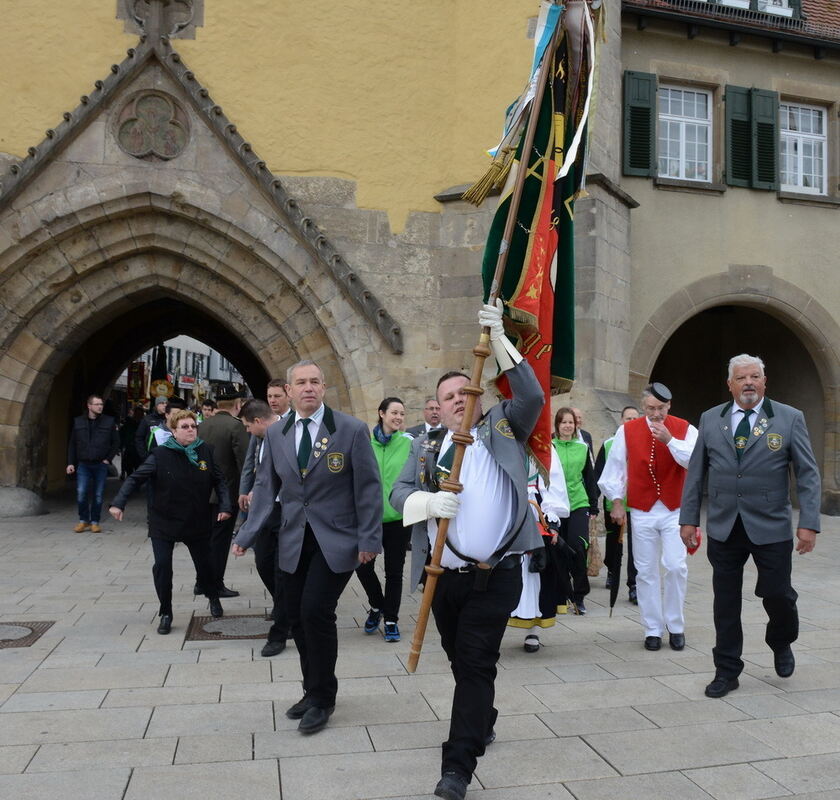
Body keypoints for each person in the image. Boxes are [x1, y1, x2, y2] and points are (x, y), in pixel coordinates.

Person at [390, 302, 544, 800]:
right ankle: (483, 719)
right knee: (463, 663)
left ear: (479, 393)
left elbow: (532, 394)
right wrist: (424, 499)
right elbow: (396, 495)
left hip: (496, 576)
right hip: (443, 577)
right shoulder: (427, 446)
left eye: (464, 391)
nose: (458, 399)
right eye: (448, 396)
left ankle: (457, 766)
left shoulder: (505, 427)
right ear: (437, 406)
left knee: (475, 662)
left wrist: (499, 342)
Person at [232, 360, 382, 736]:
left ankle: (323, 698)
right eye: (301, 383)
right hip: (293, 538)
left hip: (337, 539)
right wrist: (246, 534)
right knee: (296, 616)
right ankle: (310, 689)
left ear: (324, 387)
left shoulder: (349, 430)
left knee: (316, 611)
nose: (309, 388)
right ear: (290, 390)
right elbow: (266, 487)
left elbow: (367, 487)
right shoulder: (277, 433)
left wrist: (369, 539)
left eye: (315, 381)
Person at [680, 354, 821, 699]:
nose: (748, 383)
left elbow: (807, 473)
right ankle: (727, 670)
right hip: (725, 526)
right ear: (729, 384)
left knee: (778, 595)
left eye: (754, 377)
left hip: (771, 526)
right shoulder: (712, 419)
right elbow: (696, 472)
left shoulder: (789, 418)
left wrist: (809, 524)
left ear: (764, 382)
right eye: (741, 378)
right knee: (725, 602)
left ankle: (781, 639)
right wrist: (688, 518)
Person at [109, 409, 232, 634]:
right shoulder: (159, 455)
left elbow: (219, 481)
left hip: (196, 519)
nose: (190, 430)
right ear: (173, 431)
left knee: (206, 566)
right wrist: (119, 502)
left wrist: (225, 506)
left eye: (193, 426)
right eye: (184, 427)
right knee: (163, 567)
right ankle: (166, 611)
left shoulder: (205, 450)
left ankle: (213, 596)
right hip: (164, 520)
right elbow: (135, 479)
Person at [598, 383, 697, 652]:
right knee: (645, 571)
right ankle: (652, 628)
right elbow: (615, 469)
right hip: (642, 509)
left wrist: (670, 440)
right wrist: (617, 502)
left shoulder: (685, 428)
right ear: (643, 407)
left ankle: (676, 626)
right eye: (651, 408)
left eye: (661, 409)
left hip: (675, 510)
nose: (656, 414)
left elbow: (695, 462)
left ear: (669, 406)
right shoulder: (626, 430)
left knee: (676, 566)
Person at [239, 393, 291, 657]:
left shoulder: (289, 433)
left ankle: (280, 632)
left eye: (248, 426)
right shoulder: (260, 438)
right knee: (263, 563)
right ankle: (286, 606)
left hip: (290, 512)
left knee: (283, 572)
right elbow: (259, 472)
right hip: (268, 509)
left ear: (258, 421)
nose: (248, 431)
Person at [357, 397, 413, 642]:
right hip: (368, 519)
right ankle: (377, 604)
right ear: (381, 413)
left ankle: (391, 619)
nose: (399, 417)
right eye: (394, 412)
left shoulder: (409, 444)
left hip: (398, 519)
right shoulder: (364, 444)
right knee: (362, 567)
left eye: (402, 414)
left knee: (394, 571)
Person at [508, 448, 570, 652]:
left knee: (535, 570)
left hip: (534, 509)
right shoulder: (498, 437)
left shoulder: (543, 446)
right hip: (504, 507)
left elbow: (554, 486)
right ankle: (497, 624)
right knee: (502, 570)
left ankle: (532, 630)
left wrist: (551, 522)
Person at [198, 388, 249, 598]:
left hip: (201, 493)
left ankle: (201, 582)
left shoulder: (201, 426)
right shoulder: (235, 427)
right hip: (225, 495)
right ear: (237, 404)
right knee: (220, 541)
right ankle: (216, 584)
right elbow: (244, 462)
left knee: (203, 539)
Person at [551, 407, 599, 615]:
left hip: (579, 503)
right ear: (557, 426)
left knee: (577, 548)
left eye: (571, 422)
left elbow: (590, 479)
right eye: (564, 422)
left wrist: (594, 506)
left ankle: (579, 595)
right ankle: (562, 594)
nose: (568, 426)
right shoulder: (550, 447)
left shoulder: (582, 447)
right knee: (558, 551)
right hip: (556, 506)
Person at [594, 405, 640, 604]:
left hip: (638, 502)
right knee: (614, 542)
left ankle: (634, 584)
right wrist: (594, 504)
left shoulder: (643, 442)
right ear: (621, 420)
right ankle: (612, 571)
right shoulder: (609, 444)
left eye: (634, 418)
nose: (631, 421)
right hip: (615, 501)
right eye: (628, 418)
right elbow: (600, 473)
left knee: (636, 546)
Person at [66, 394, 120, 533]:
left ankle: (95, 521)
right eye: (97, 404)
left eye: (101, 404)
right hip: (83, 464)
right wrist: (71, 463)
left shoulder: (109, 421)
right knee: (81, 492)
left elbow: (116, 442)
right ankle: (83, 521)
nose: (100, 407)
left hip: (100, 464)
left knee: (98, 494)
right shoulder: (78, 422)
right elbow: (72, 443)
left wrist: (108, 458)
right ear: (89, 406)